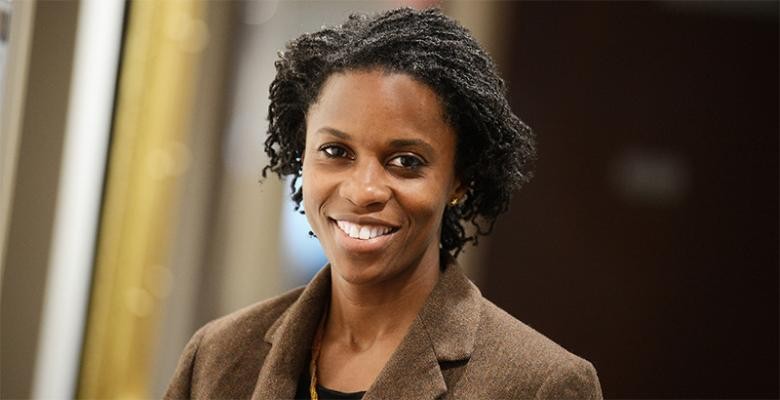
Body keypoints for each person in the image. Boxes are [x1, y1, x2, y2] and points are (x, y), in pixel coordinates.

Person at [165, 7, 602, 400]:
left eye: (405, 161)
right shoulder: (218, 355)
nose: (363, 190)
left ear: (460, 181)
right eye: (336, 152)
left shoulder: (542, 384)